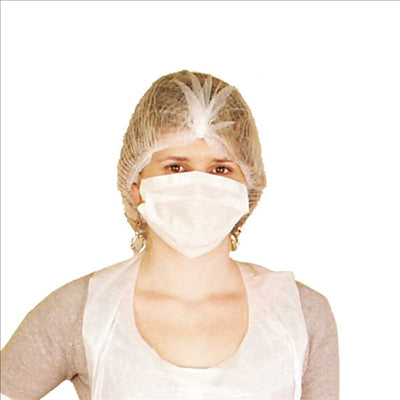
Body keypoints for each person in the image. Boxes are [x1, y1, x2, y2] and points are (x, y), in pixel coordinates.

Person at [0, 70, 339, 400]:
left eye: (220, 169)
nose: (199, 185)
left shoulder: (301, 315)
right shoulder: (84, 311)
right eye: (176, 167)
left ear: (246, 189)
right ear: (136, 186)